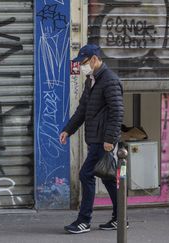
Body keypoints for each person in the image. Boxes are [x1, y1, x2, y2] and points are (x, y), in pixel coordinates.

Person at [59, 44, 125, 234]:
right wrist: (68, 130)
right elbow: (83, 110)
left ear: (95, 59)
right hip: (95, 137)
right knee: (107, 177)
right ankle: (120, 218)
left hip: (103, 139)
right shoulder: (92, 80)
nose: (82, 66)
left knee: (86, 175)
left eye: (84, 62)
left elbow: (117, 112)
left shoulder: (110, 81)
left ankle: (84, 221)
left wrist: (110, 139)